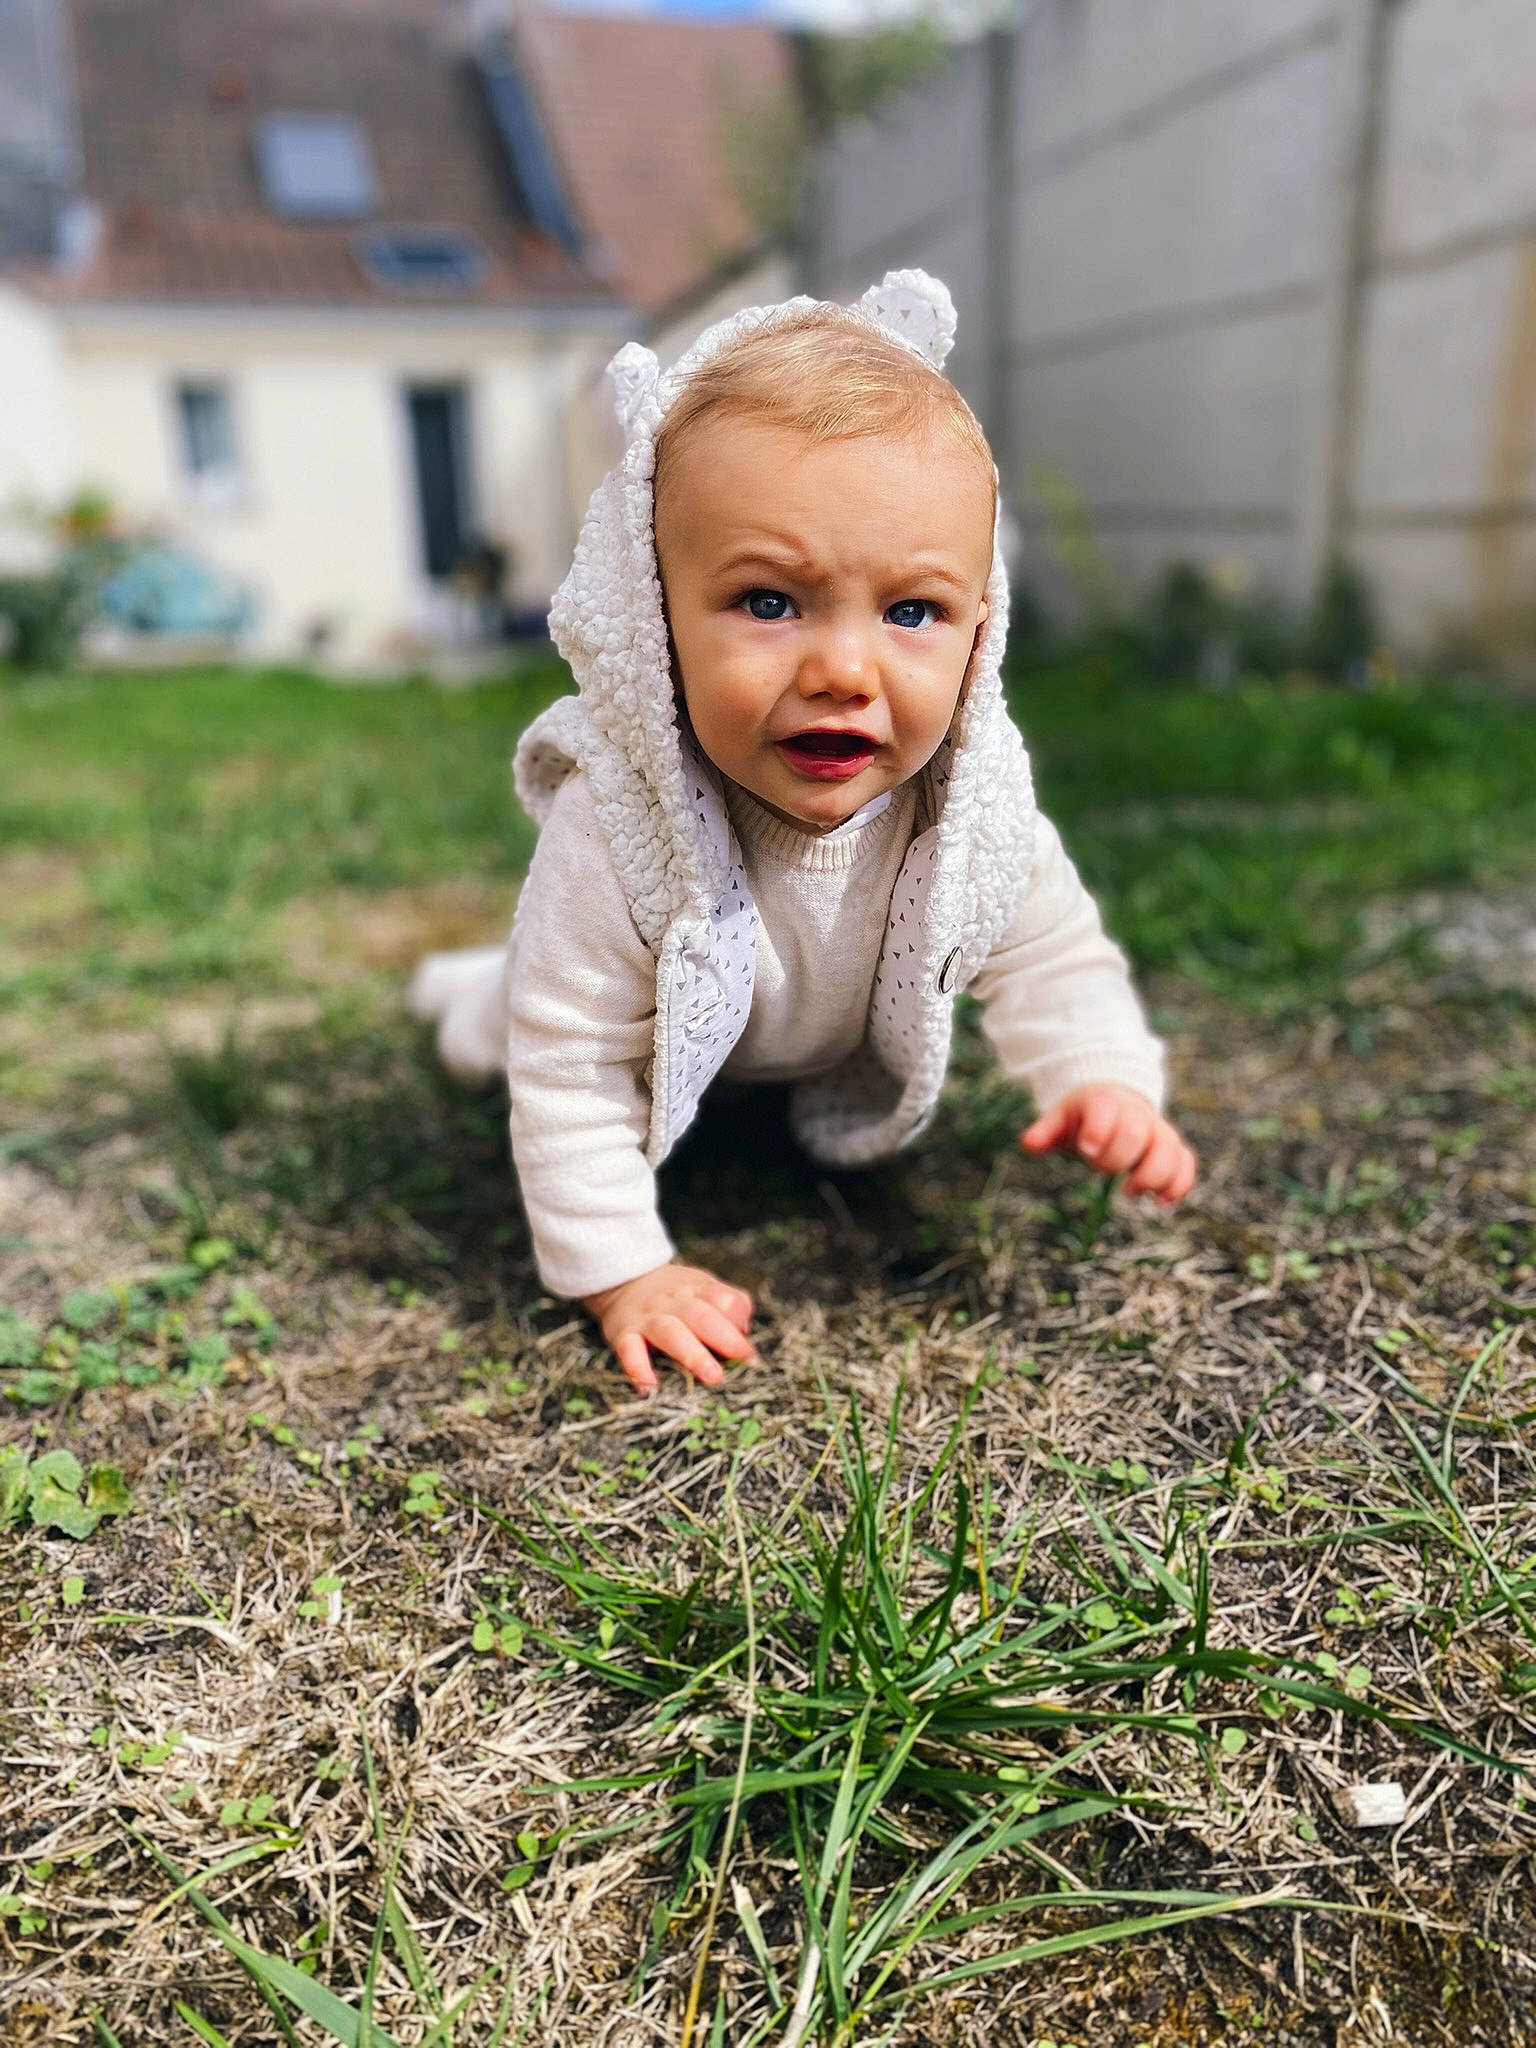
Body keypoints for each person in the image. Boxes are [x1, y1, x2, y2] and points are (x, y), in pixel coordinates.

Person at [410, 271, 1197, 1398]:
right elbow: (573, 1062)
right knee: (499, 1020)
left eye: (912, 611)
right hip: (618, 1019)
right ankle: (460, 992)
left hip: (780, 1048)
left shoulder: (970, 814)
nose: (842, 670)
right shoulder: (620, 823)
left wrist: (1102, 1076)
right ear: (655, 617)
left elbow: (1054, 956)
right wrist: (623, 1273)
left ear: (980, 631)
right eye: (770, 602)